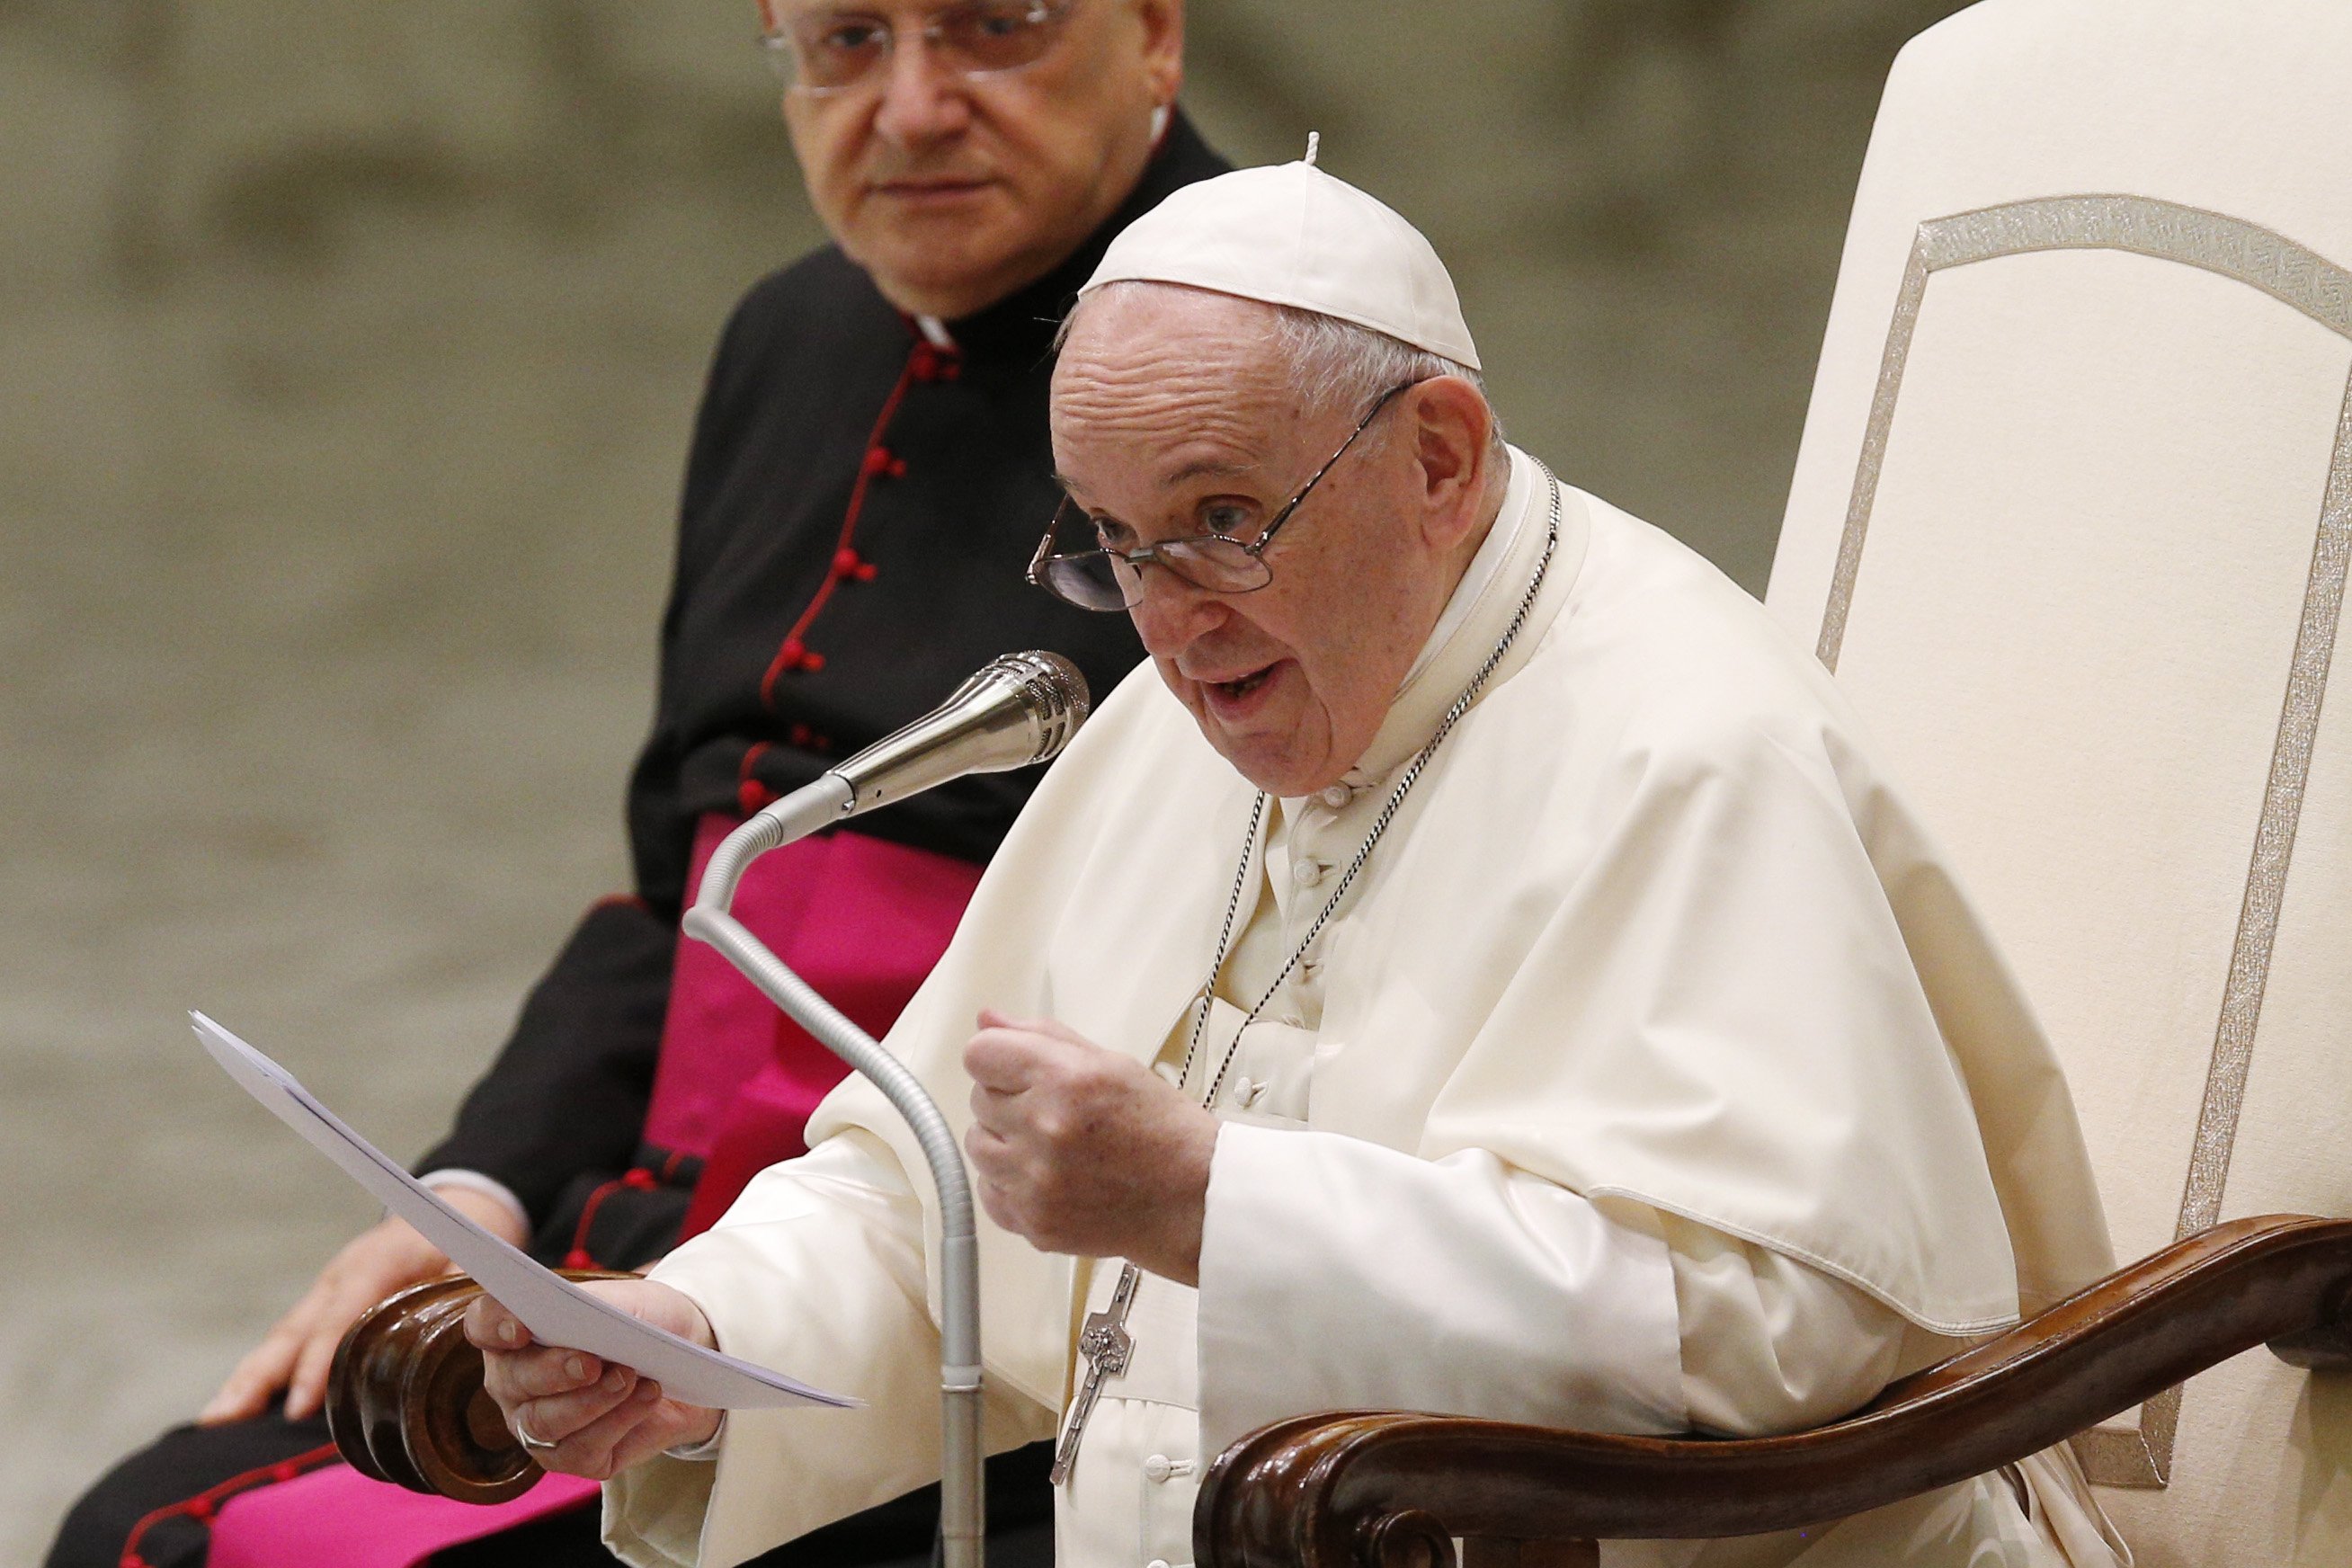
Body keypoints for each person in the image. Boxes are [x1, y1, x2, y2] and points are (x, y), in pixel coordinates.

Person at [466, 156, 2135, 1568]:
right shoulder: (1179, 727)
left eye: (1220, 517)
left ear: (1437, 459)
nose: (1172, 627)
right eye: (1110, 545)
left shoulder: (1681, 747)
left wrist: (1214, 1202)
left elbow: (1772, 1328)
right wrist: (703, 1340)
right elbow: (929, 1198)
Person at [49, 2, 1222, 1565]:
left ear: (1152, 34)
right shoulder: (793, 337)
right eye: (848, 38)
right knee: (148, 1522)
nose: (914, 108)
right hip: (653, 1233)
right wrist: (481, 1191)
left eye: (989, 27)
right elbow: (683, 880)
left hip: (979, 1320)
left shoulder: (1251, 361)